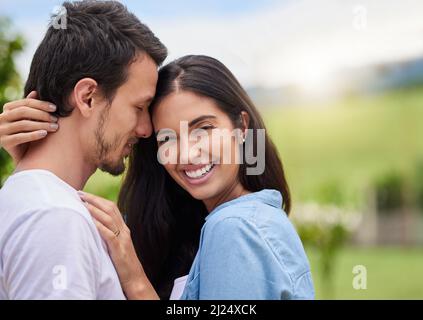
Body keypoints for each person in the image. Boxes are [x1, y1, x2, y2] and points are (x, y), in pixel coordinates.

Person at [1, 55, 314, 300]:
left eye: (203, 129)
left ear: (241, 127)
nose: (187, 154)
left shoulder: (234, 228)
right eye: (167, 139)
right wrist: (34, 166)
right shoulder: (221, 223)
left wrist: (136, 281)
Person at [0, 0, 167, 299]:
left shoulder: (29, 199)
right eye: (139, 107)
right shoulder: (56, 218)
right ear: (88, 97)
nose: (146, 129)